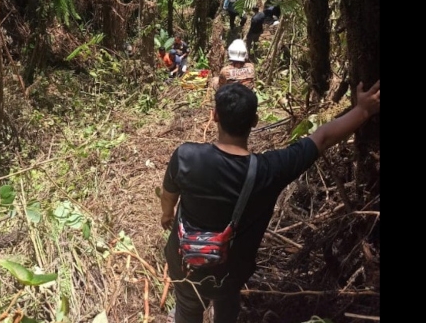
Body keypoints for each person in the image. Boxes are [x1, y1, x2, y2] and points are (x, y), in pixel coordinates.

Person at [160, 80, 381, 323]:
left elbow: (169, 195)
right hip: (231, 271)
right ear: (255, 121)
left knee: (187, 306)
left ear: (215, 116)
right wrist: (363, 110)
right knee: (227, 299)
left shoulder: (186, 156)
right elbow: (322, 138)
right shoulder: (271, 170)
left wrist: (167, 215)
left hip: (186, 264)